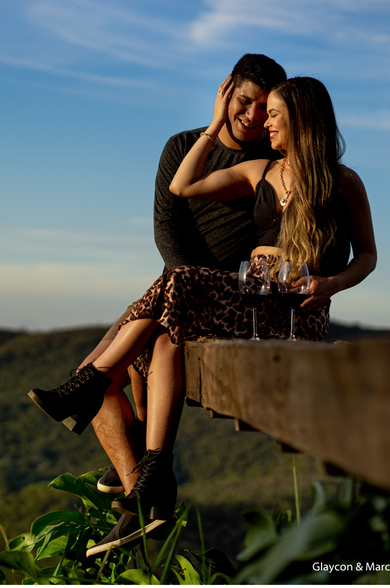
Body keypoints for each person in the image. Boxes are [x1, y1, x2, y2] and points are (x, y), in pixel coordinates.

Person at [29, 75, 377, 556]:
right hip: (247, 295)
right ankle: (152, 469)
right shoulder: (263, 171)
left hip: (296, 312)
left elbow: (368, 257)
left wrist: (331, 283)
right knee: (171, 329)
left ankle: (92, 381)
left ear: (302, 119)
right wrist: (213, 126)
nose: (265, 123)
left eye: (274, 114)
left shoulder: (344, 181)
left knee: (182, 278)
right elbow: (183, 184)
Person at [78, 54, 287, 500]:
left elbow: (278, 241)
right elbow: (166, 225)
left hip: (227, 297)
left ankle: (145, 493)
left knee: (117, 370)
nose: (252, 117)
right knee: (92, 381)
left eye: (263, 108)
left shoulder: (273, 164)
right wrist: (183, 285)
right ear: (226, 91)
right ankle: (144, 489)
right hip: (174, 285)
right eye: (244, 101)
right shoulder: (183, 146)